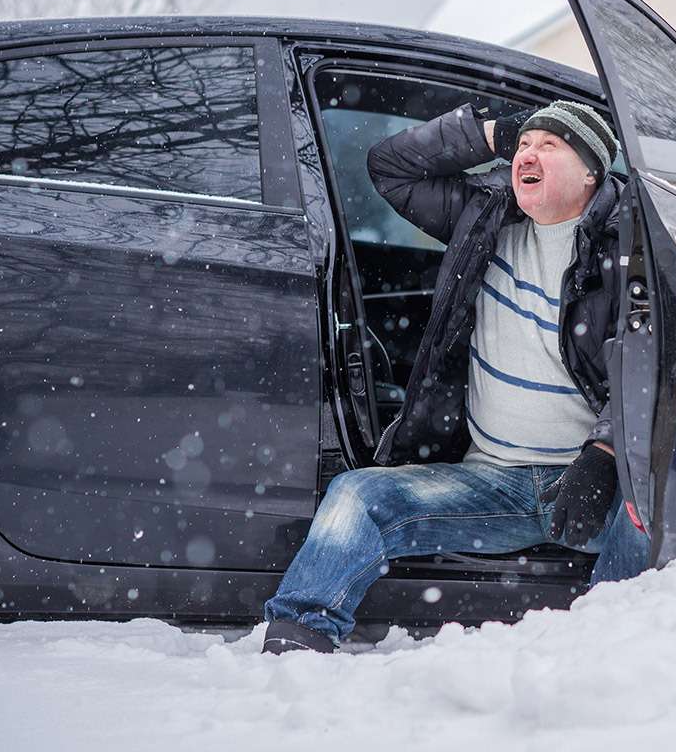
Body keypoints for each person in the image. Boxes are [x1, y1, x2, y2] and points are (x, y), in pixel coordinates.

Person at [261, 100, 649, 654]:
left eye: (550, 145)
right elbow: (390, 167)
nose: (528, 155)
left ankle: (603, 653)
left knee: (647, 514)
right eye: (524, 146)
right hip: (495, 483)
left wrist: (606, 454)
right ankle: (297, 639)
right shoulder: (483, 218)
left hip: (587, 478)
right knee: (357, 494)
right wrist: (491, 132)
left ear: (592, 171)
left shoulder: (630, 246)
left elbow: (648, 362)